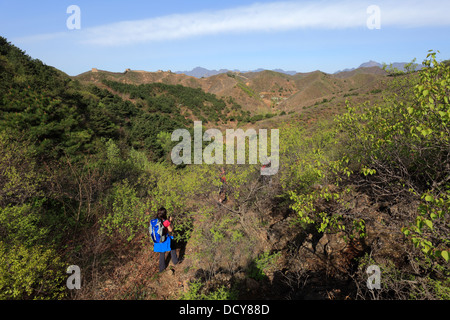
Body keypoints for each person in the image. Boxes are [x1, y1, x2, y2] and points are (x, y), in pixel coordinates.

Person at [152, 207, 178, 273]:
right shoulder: (165, 221)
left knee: (162, 253)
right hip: (165, 239)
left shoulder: (155, 221)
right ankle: (175, 262)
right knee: (172, 246)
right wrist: (170, 221)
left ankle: (161, 269)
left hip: (158, 241)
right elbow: (170, 230)